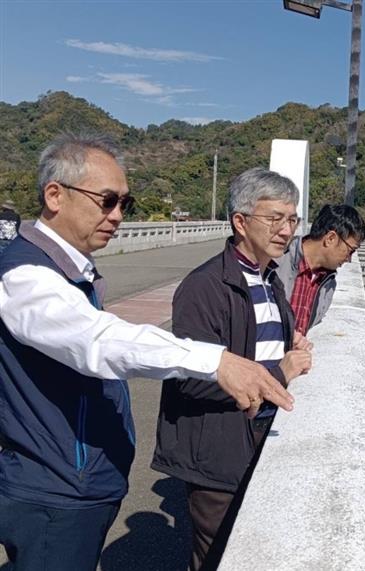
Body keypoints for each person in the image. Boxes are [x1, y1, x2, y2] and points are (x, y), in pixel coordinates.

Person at [0, 134, 294, 571]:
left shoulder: (70, 270)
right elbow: (97, 341)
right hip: (55, 490)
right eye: (106, 201)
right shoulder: (25, 276)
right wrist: (216, 361)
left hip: (80, 481)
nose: (117, 215)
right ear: (55, 195)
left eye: (125, 203)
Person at [152, 168, 313, 571]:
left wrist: (290, 340)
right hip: (218, 448)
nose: (286, 229)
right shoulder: (205, 286)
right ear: (240, 221)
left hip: (256, 435)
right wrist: (281, 372)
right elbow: (192, 376)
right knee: (219, 555)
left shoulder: (269, 277)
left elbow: (256, 341)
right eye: (274, 218)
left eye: (292, 219)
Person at [276, 204, 365, 335]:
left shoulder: (328, 283)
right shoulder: (275, 261)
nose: (349, 259)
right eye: (350, 250)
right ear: (330, 238)